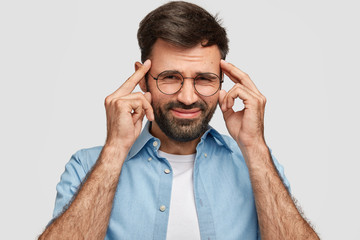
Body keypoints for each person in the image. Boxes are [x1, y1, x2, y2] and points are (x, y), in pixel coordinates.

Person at [39, 1, 319, 239]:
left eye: (204, 79)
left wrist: (255, 146)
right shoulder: (87, 166)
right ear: (142, 78)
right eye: (170, 78)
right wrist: (115, 149)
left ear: (223, 81)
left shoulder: (258, 166)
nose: (187, 97)